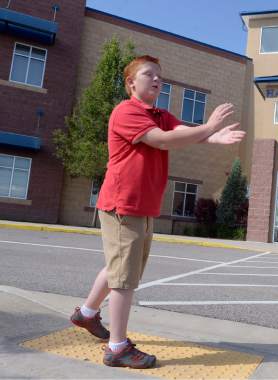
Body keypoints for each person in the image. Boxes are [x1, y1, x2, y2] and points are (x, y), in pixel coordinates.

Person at [70, 55, 245, 369]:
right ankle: (117, 348)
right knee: (124, 278)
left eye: (160, 76)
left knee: (120, 267)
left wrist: (211, 136)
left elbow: (181, 131)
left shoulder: (159, 114)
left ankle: (85, 315)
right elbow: (163, 141)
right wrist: (209, 127)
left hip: (143, 205)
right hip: (124, 203)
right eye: (148, 74)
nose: (156, 80)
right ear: (131, 83)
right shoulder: (127, 111)